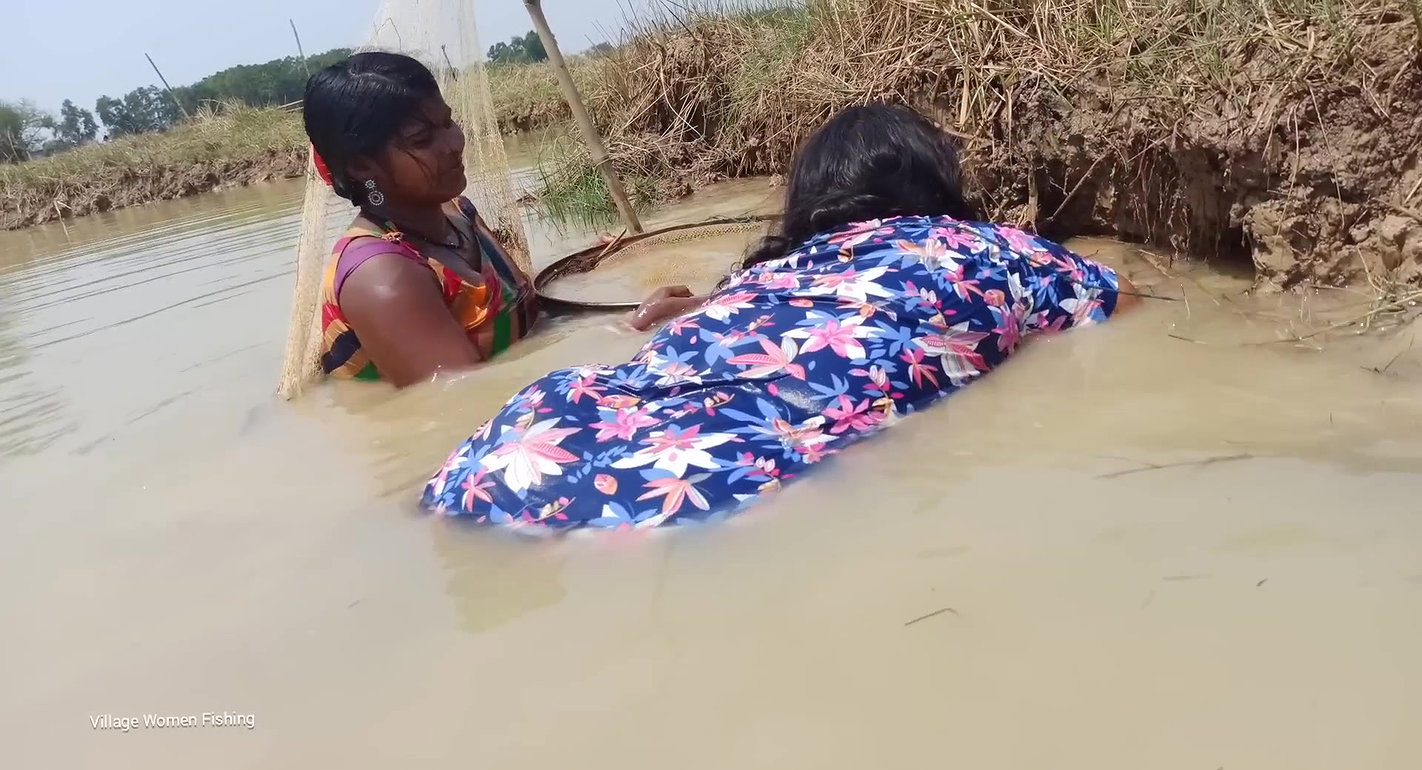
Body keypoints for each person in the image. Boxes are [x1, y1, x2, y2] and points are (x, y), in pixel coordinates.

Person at [421, 104, 1139, 531]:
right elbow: (1123, 303)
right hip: (691, 486)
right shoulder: (989, 249)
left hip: (505, 452)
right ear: (936, 184)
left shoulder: (766, 275)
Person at [303, 52, 629, 388]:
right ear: (361, 166)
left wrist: (624, 316)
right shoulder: (381, 274)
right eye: (422, 139)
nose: (454, 143)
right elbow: (464, 400)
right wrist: (619, 336)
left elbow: (532, 323)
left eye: (447, 123)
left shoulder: (460, 215)